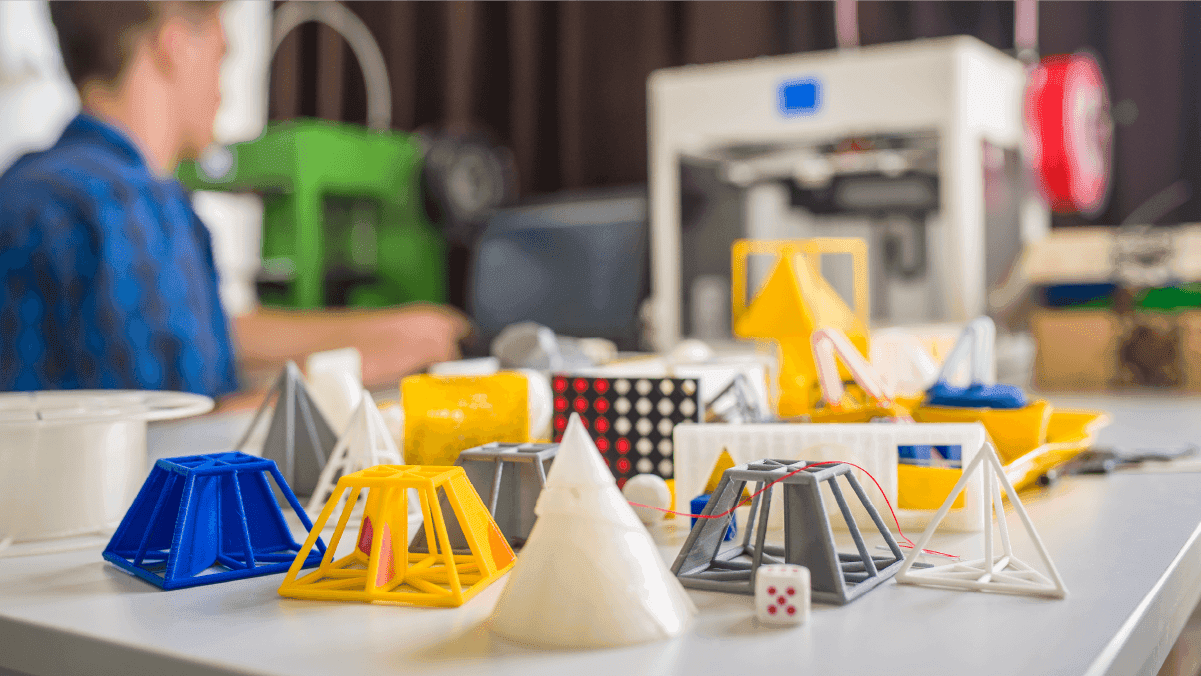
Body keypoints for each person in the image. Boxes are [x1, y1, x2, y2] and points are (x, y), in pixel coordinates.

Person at [0, 1, 467, 400]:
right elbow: (172, 438)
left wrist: (392, 331)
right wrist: (348, 376)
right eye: (224, 55)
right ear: (176, 45)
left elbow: (208, 333)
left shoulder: (33, 186)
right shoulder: (125, 203)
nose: (222, 89)